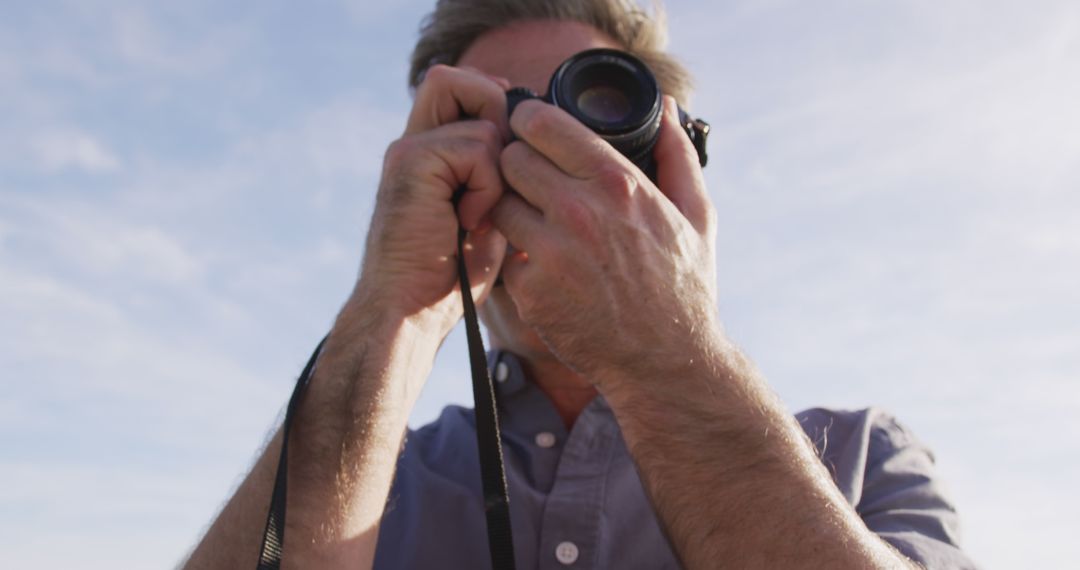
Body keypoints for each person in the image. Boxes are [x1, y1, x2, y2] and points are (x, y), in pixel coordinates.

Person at [184, 1, 977, 568]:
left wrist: (669, 348)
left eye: (587, 125)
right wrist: (391, 314)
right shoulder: (372, 484)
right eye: (496, 133)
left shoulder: (862, 462)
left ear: (671, 165)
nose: (543, 177)